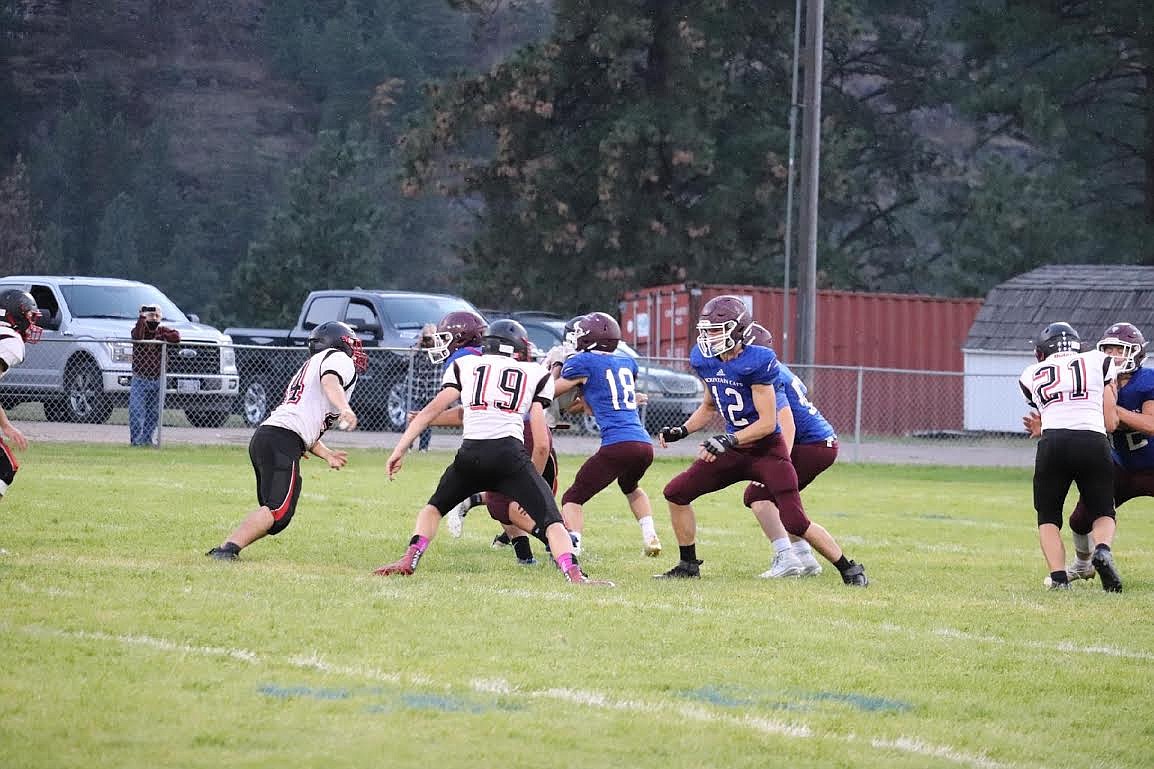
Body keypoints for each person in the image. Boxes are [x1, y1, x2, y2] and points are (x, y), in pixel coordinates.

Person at [374, 319, 612, 586]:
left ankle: (410, 558)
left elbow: (430, 412)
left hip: (470, 453)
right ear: (517, 348)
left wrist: (400, 448)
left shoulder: (464, 365)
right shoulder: (534, 372)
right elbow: (542, 440)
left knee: (434, 508)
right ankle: (574, 574)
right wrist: (530, 476)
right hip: (510, 455)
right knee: (552, 521)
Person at [654, 295, 868, 585]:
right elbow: (708, 406)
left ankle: (849, 568)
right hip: (735, 448)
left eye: (716, 330)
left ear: (738, 331)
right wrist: (682, 430)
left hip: (767, 450)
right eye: (706, 330)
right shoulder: (704, 359)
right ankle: (688, 565)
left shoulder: (759, 363)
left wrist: (728, 439)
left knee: (794, 520)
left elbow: (769, 424)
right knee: (676, 492)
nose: (708, 337)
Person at [205, 321, 365, 560]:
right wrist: (345, 408)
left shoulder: (311, 366)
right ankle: (226, 550)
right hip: (281, 439)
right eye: (351, 344)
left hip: (269, 436)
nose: (356, 350)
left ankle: (227, 548)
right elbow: (330, 381)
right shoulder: (338, 359)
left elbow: (303, 424)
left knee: (275, 513)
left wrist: (327, 454)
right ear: (338, 343)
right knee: (277, 511)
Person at [1026, 321, 1153, 590]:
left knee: (1052, 515)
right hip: (1121, 465)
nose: (1112, 356)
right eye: (1107, 349)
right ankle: (1085, 564)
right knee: (1080, 520)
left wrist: (1118, 413)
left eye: (1119, 350)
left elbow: (1151, 424)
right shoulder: (1093, 375)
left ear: (1136, 353)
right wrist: (1044, 425)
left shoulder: (1146, 381)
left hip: (1151, 465)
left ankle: (1071, 570)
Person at [739, 322, 847, 580]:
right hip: (820, 443)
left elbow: (786, 422)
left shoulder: (767, 375)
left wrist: (779, 462)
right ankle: (805, 558)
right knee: (783, 500)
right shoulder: (778, 370)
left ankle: (786, 557)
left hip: (810, 444)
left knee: (758, 494)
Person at [1018, 321, 1120, 590]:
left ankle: (1059, 578)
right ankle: (1102, 550)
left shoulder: (1031, 372)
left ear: (1042, 352)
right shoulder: (1099, 360)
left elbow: (1049, 407)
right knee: (1102, 510)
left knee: (1048, 516)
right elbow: (1110, 414)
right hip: (1092, 439)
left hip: (1053, 442)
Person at [553, 311, 662, 557]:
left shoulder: (583, 363)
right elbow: (604, 400)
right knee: (631, 486)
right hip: (644, 444)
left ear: (590, 339)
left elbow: (551, 391)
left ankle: (574, 548)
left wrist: (554, 369)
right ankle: (650, 535)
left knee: (573, 497)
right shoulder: (627, 363)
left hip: (617, 444)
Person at [0, 289, 42, 499]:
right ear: (14, 315)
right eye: (29, 317)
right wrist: (6, 426)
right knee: (4, 468)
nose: (31, 324)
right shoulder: (11, 341)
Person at [129, 304, 181, 446]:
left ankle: (147, 441)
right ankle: (136, 442)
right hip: (140, 378)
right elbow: (137, 336)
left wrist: (160, 337)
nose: (154, 318)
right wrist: (142, 317)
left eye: (157, 315)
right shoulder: (139, 329)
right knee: (136, 411)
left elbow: (176, 337)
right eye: (151, 315)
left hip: (158, 378)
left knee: (154, 413)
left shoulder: (162, 330)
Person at [410, 323, 442, 452]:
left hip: (431, 392)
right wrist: (419, 344)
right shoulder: (417, 351)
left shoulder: (439, 351)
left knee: (427, 421)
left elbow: (438, 357)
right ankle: (409, 445)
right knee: (413, 419)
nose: (427, 340)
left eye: (430, 337)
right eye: (425, 337)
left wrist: (434, 342)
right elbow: (410, 358)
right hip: (417, 391)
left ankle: (424, 447)